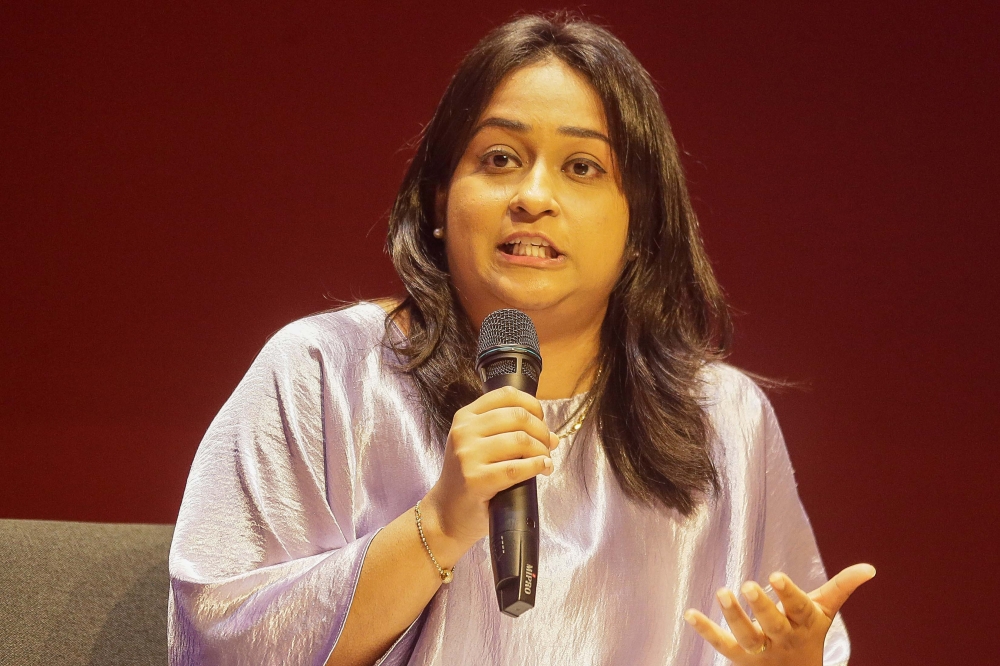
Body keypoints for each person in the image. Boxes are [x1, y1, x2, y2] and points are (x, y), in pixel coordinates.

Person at [168, 13, 874, 666]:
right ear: (439, 200)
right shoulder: (324, 373)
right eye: (500, 159)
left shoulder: (723, 418)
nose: (533, 196)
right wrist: (438, 526)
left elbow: (782, 635)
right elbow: (219, 640)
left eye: (582, 167)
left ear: (638, 226)